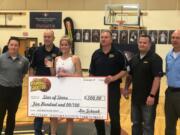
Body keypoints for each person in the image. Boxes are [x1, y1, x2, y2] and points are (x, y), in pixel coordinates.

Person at [89, 30, 127, 135]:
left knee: (114, 117)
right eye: (102, 37)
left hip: (113, 89)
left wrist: (114, 78)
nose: (103, 39)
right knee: (98, 116)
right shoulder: (96, 54)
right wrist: (91, 86)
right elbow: (91, 72)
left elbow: (125, 70)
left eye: (106, 37)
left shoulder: (118, 54)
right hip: (98, 90)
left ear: (111, 39)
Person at [123, 34, 163, 135]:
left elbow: (157, 78)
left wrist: (152, 95)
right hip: (135, 98)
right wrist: (126, 88)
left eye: (145, 43)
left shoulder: (156, 58)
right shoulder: (134, 58)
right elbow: (129, 76)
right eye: (140, 42)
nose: (142, 44)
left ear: (150, 44)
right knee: (135, 123)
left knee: (148, 126)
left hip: (148, 99)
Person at [50, 35, 82, 135]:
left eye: (66, 45)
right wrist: (50, 66)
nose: (64, 46)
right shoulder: (56, 59)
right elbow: (54, 74)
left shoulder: (75, 58)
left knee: (69, 116)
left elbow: (79, 75)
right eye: (62, 45)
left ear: (70, 46)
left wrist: (66, 74)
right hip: (58, 89)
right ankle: (53, 133)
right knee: (54, 114)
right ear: (60, 46)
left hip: (71, 89)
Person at [29, 30, 60, 135]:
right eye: (45, 37)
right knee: (39, 110)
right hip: (39, 82)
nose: (47, 38)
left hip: (54, 83)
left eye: (49, 37)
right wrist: (31, 81)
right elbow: (32, 67)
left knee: (53, 109)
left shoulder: (58, 51)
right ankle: (37, 132)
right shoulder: (37, 51)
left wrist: (51, 67)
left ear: (53, 38)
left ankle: (53, 132)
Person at [0, 37, 29, 135]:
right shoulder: (1, 58)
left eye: (16, 45)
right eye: (11, 44)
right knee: (1, 114)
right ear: (8, 45)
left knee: (12, 115)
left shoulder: (24, 60)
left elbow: (24, 72)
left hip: (16, 91)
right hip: (2, 90)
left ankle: (9, 133)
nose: (13, 47)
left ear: (19, 47)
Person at [165, 29, 180, 135]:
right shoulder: (168, 55)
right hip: (170, 94)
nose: (175, 40)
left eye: (178, 38)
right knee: (169, 125)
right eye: (173, 37)